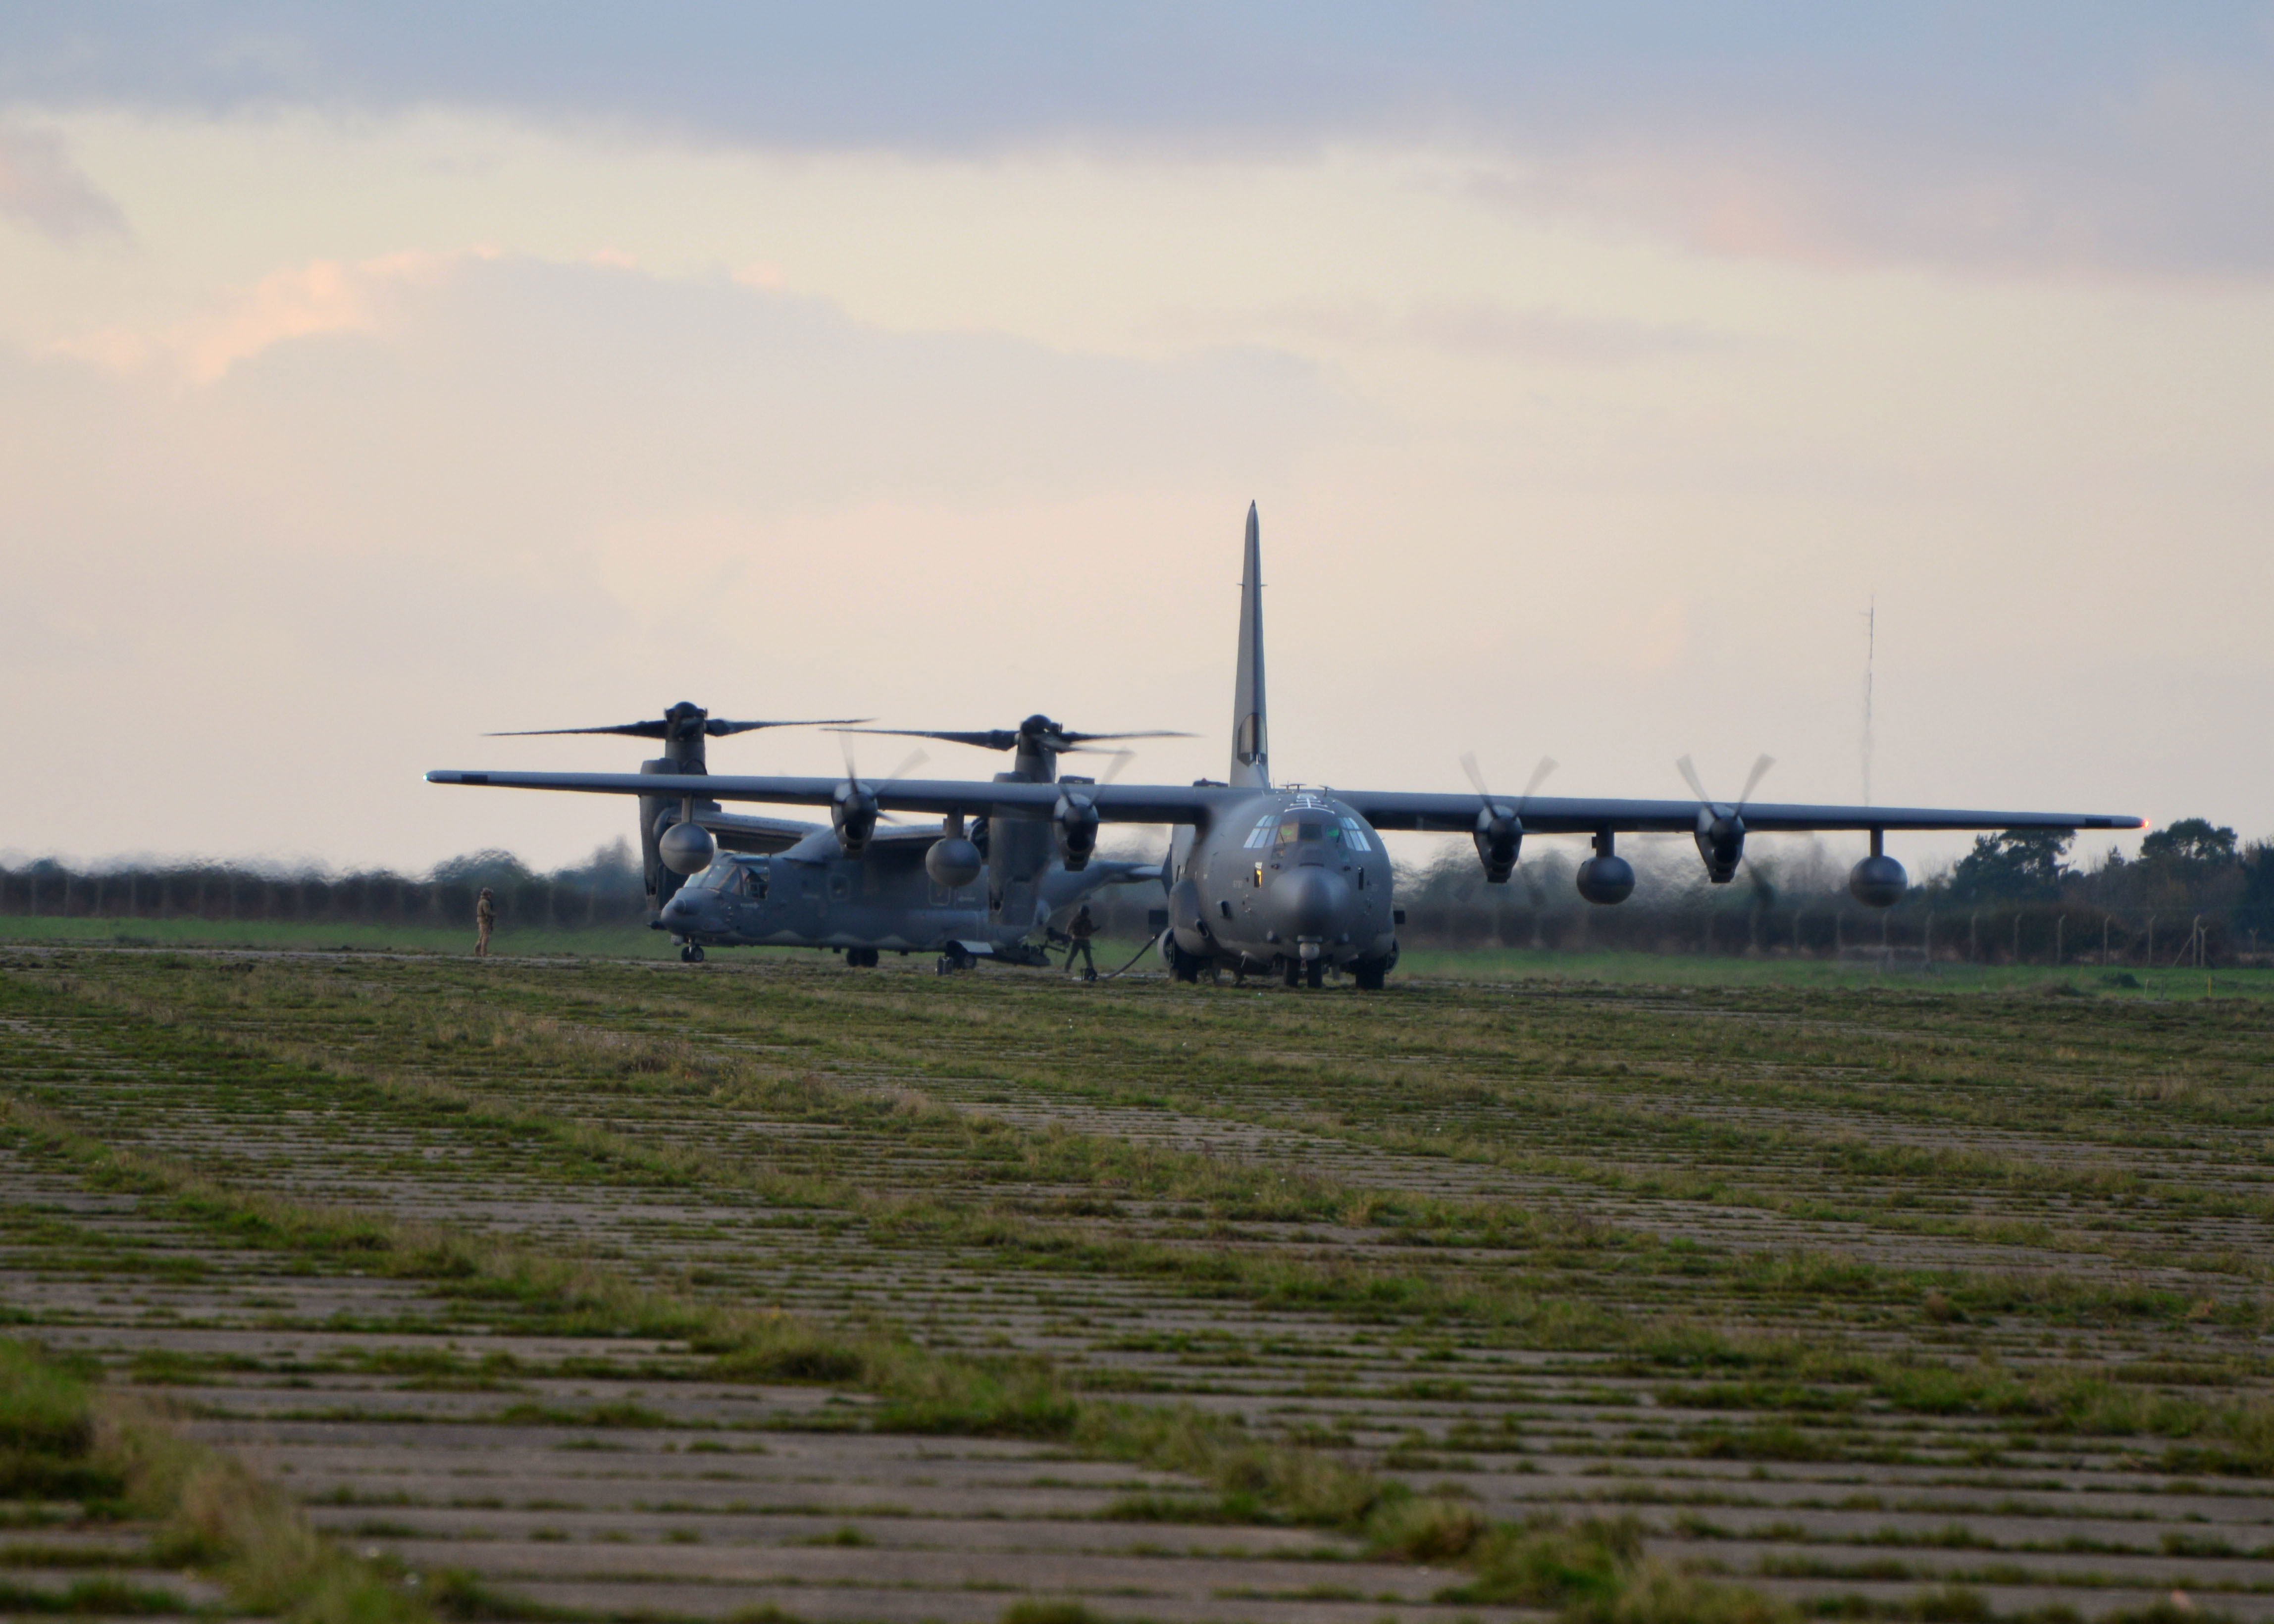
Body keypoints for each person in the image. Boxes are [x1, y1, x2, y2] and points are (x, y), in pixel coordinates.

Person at [1065, 904, 1096, 980]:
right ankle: (1067, 968)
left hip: (1083, 940)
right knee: (1074, 955)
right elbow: (1069, 927)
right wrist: (1067, 936)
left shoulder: (1085, 920)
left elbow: (1090, 930)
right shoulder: (1078, 920)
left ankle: (1091, 969)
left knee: (1087, 957)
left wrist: (1094, 930)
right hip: (1078, 939)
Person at [474, 887, 496, 958]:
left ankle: (477, 952)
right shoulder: (486, 902)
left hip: (481, 920)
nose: (491, 895)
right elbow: (487, 912)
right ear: (487, 894)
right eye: (490, 894)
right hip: (485, 921)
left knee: (482, 937)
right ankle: (484, 953)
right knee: (485, 938)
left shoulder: (481, 901)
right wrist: (494, 915)